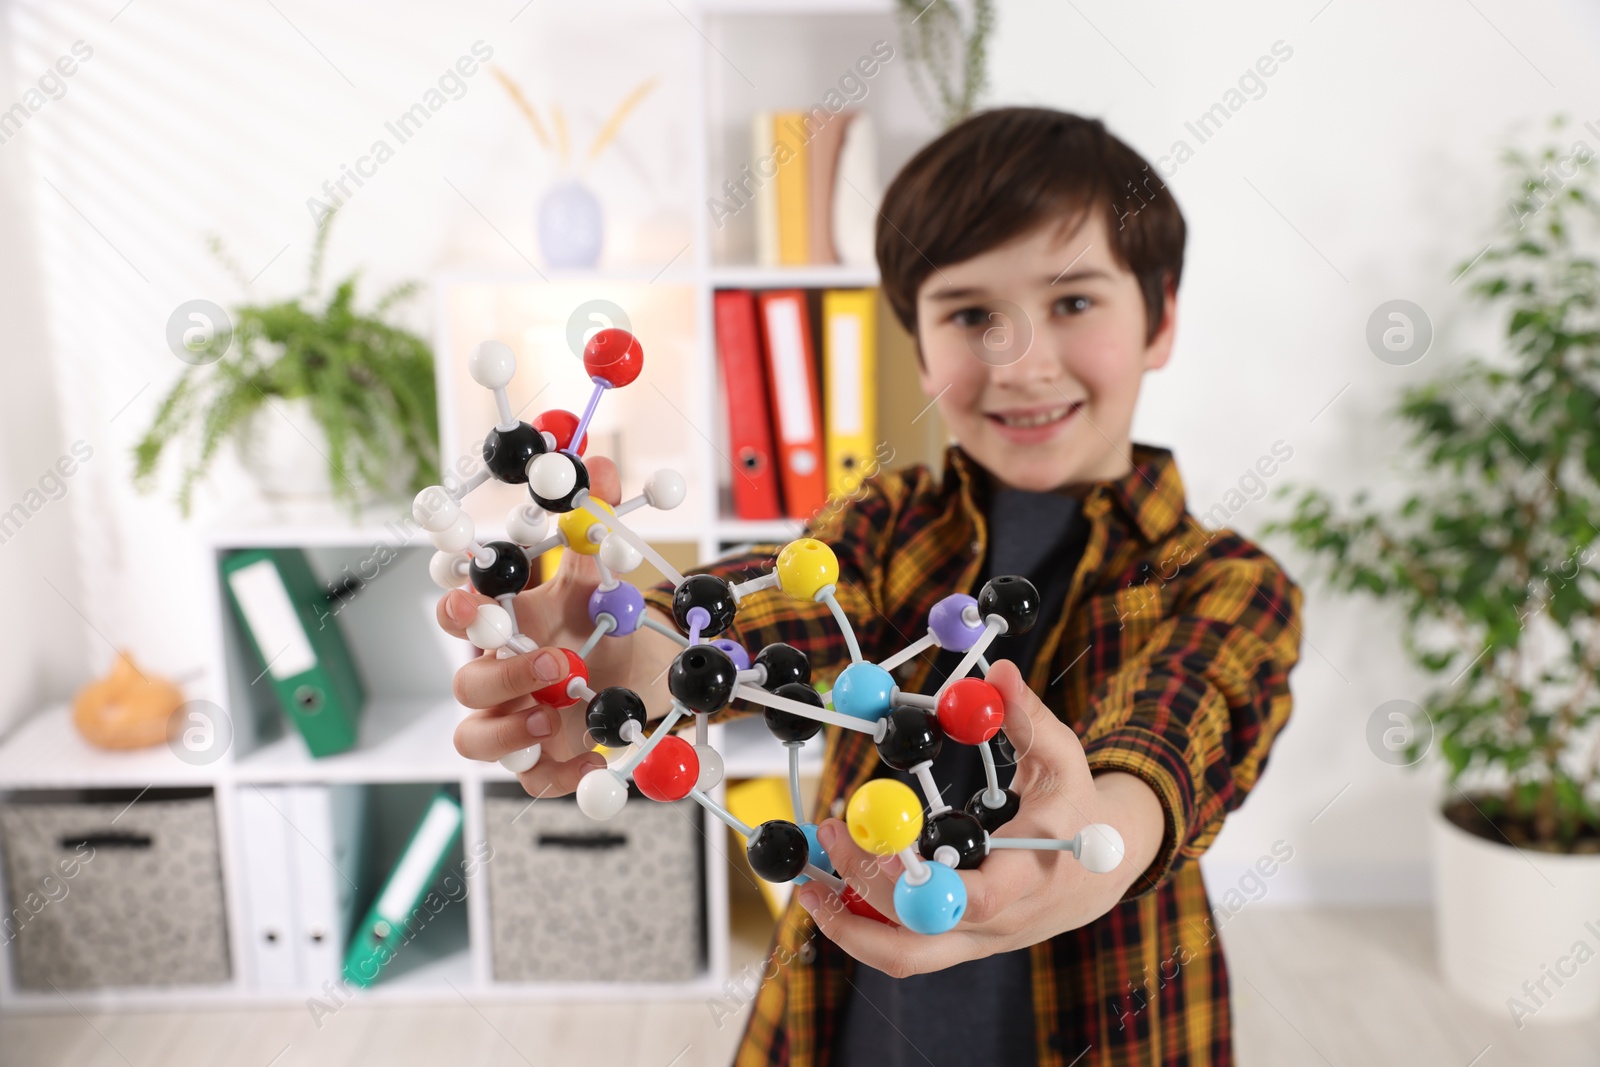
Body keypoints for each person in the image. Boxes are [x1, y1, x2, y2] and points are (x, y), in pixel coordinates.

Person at [438, 107, 1304, 1067]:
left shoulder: (1228, 583)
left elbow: (1181, 723)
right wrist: (633, 657)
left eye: (1073, 302)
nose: (1023, 359)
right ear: (922, 346)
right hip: (844, 1023)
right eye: (973, 315)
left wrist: (1098, 830)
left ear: (1162, 317)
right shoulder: (885, 525)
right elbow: (759, 614)